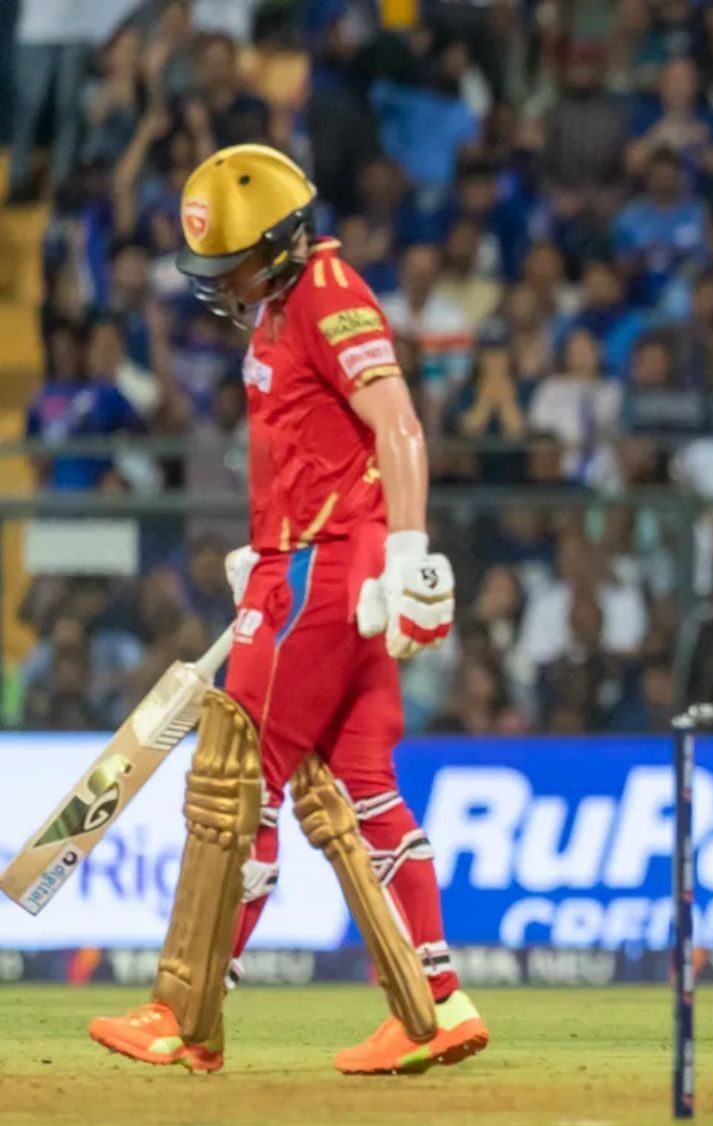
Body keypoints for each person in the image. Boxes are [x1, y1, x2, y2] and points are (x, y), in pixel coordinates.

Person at [87, 145, 487, 1076]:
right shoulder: (278, 306)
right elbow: (315, 447)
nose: (220, 286)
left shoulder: (327, 294)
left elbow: (398, 424)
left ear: (277, 244)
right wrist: (265, 547)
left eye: (232, 265)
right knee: (362, 780)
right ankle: (438, 999)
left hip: (326, 570)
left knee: (240, 782)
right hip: (307, 562)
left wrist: (408, 553)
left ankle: (186, 1012)